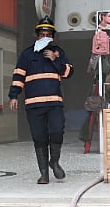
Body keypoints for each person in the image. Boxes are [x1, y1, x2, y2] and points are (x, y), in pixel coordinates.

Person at [8, 16, 73, 184]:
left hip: (54, 103)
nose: (45, 37)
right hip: (33, 104)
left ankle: (55, 161)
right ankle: (44, 174)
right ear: (37, 35)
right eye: (42, 34)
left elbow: (68, 73)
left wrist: (55, 59)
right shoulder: (27, 54)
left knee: (57, 131)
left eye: (48, 34)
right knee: (39, 137)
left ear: (52, 36)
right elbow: (18, 76)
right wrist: (14, 95)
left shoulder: (58, 52)